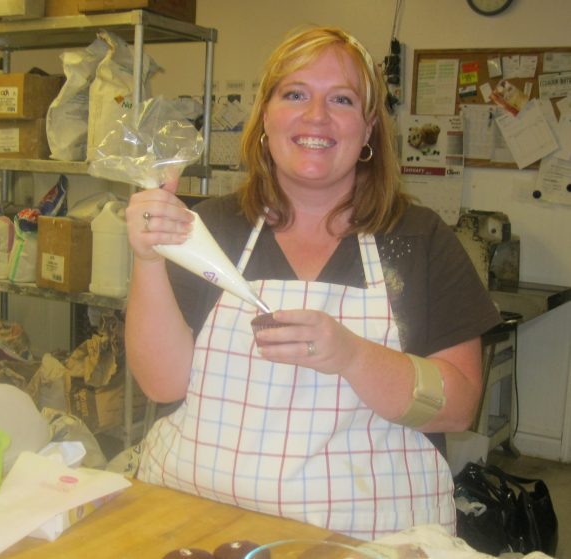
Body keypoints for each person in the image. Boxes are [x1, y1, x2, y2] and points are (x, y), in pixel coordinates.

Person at [124, 25, 501, 539]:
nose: (316, 116)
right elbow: (162, 384)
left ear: (369, 130)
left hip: (367, 536)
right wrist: (149, 259)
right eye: (295, 94)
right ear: (265, 117)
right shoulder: (209, 230)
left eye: (341, 99)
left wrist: (354, 357)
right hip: (202, 517)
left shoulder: (418, 240)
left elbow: (457, 408)